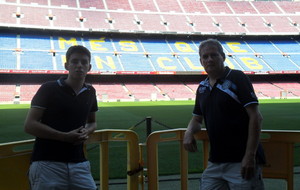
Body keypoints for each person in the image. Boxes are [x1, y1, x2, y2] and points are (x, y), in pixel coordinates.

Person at [183, 39, 266, 190]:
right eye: (205, 56)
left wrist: (250, 156)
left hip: (241, 161)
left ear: (223, 57)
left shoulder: (237, 77)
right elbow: (197, 118)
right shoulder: (202, 88)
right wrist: (189, 132)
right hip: (215, 162)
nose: (209, 59)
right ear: (200, 61)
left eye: (214, 55)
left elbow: (256, 117)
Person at [24, 45, 98, 190]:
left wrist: (87, 131)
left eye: (84, 62)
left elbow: (92, 122)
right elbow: (29, 125)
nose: (79, 66)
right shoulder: (49, 88)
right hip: (46, 163)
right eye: (75, 61)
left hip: (79, 162)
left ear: (89, 67)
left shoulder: (90, 91)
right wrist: (64, 137)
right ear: (66, 65)